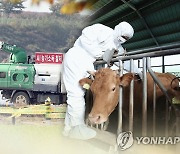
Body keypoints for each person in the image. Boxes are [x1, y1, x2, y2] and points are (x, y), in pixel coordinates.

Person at [63, 21, 141, 140]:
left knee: (75, 95)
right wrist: (101, 54)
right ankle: (78, 129)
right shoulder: (102, 30)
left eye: (126, 38)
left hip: (87, 64)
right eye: (122, 36)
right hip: (77, 57)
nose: (122, 39)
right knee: (76, 94)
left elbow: (125, 61)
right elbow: (85, 38)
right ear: (118, 30)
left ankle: (68, 129)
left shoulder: (118, 48)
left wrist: (139, 71)